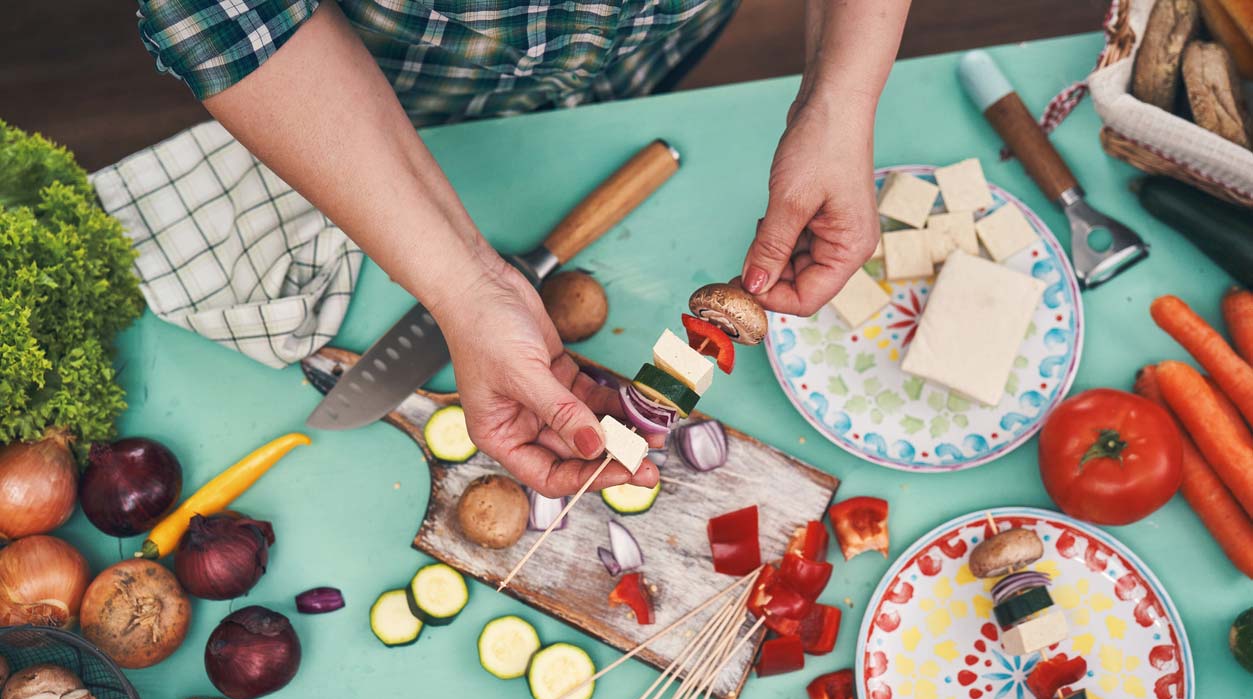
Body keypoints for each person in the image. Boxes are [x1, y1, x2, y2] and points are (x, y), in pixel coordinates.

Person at [136, 0, 911, 496]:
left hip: (654, 39)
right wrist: (467, 288)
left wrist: (839, 98)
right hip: (387, 81)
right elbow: (230, 17)